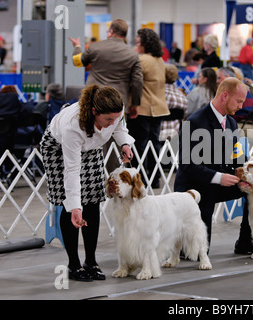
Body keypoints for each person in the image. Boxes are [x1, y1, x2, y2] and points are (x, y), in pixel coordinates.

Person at [39, 85, 134, 282]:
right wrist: (74, 206)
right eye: (107, 119)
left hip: (91, 146)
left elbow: (119, 126)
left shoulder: (115, 109)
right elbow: (71, 170)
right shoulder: (73, 126)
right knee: (69, 205)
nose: (111, 123)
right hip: (58, 149)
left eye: (114, 118)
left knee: (92, 200)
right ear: (94, 112)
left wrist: (124, 143)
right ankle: (73, 265)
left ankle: (91, 261)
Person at [174, 77, 253, 252]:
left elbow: (236, 159)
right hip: (195, 188)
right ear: (225, 96)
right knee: (196, 253)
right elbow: (187, 165)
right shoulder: (194, 122)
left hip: (219, 183)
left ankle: (246, 243)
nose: (241, 106)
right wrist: (219, 178)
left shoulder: (231, 122)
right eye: (239, 101)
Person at [69, 19, 143, 113]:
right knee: (116, 127)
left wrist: (77, 46)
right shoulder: (133, 54)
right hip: (119, 101)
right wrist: (135, 104)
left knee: (91, 127)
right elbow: (138, 82)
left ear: (111, 32)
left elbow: (77, 62)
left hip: (94, 99)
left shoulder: (95, 47)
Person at [128, 28, 169, 189]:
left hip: (144, 108)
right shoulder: (160, 60)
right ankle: (155, 177)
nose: (136, 45)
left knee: (140, 145)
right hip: (159, 108)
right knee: (154, 144)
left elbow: (133, 81)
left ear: (145, 44)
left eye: (138, 42)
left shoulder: (142, 60)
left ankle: (140, 178)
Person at [159, 64, 188, 141]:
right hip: (174, 137)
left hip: (155, 135)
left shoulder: (155, 94)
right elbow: (185, 117)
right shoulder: (182, 97)